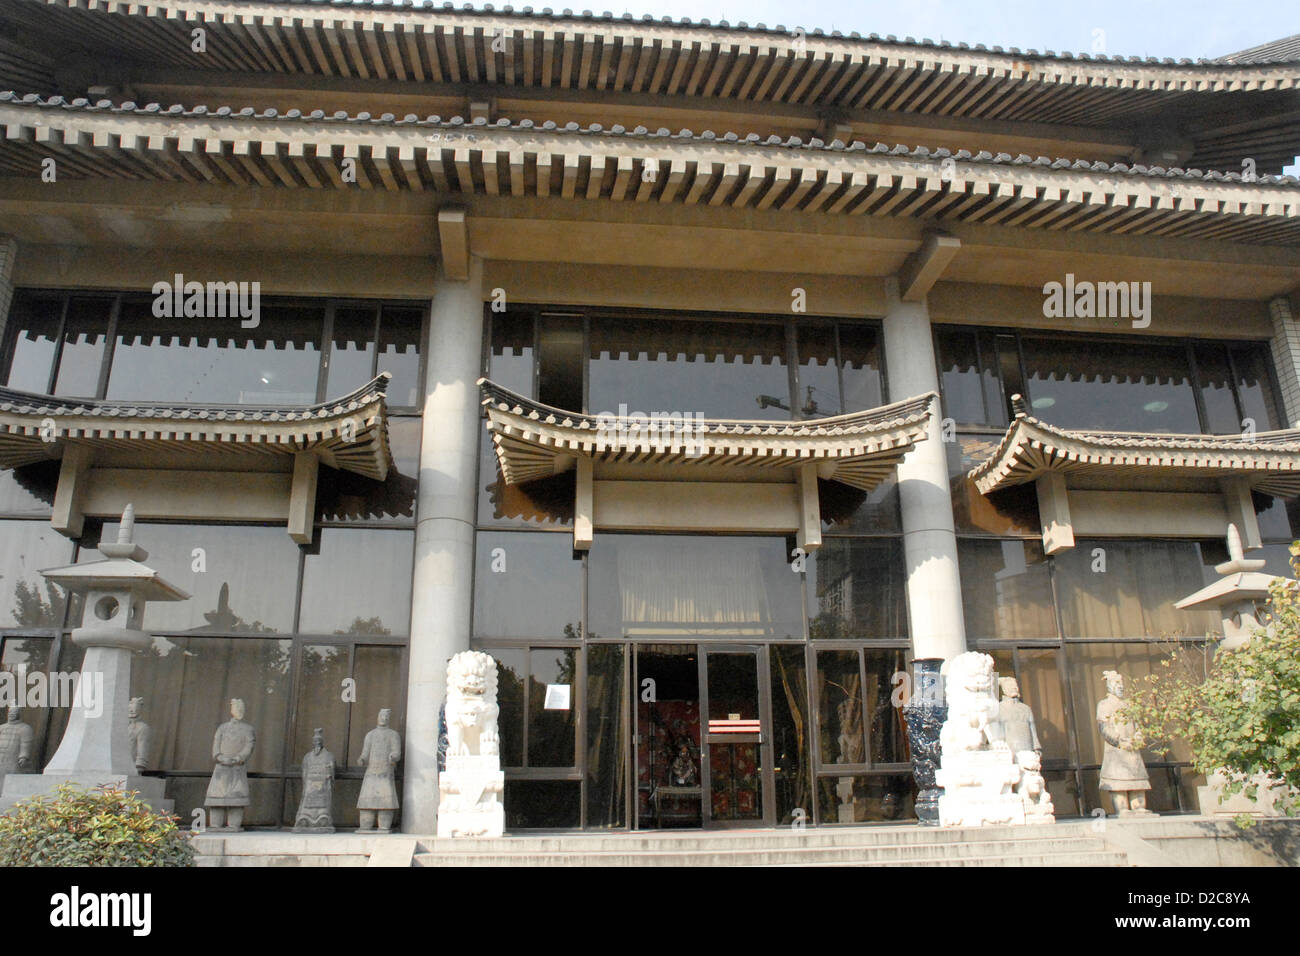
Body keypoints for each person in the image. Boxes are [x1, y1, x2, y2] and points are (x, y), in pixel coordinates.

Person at [358, 708, 401, 833]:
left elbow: (397, 752)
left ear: (389, 719)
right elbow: (365, 753)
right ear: (377, 717)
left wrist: (393, 756)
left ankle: (383, 826)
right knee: (367, 803)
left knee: (385, 803)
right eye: (381, 716)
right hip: (371, 773)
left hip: (385, 773)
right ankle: (365, 826)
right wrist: (362, 759)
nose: (383, 718)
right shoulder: (370, 735)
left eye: (386, 717)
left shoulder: (393, 735)